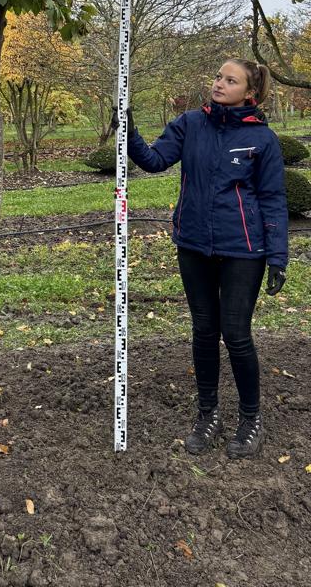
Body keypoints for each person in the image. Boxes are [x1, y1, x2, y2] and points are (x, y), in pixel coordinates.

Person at [115, 59, 288, 458]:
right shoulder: (190, 124)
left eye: (231, 80)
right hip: (193, 244)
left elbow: (273, 199)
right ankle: (207, 414)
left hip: (243, 249)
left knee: (236, 333)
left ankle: (250, 418)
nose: (219, 84)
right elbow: (154, 160)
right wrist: (129, 129)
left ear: (250, 93)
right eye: (218, 77)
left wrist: (278, 255)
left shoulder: (262, 140)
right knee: (204, 330)